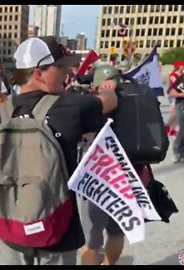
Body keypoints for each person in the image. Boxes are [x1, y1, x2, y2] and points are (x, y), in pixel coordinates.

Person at [0, 37, 118, 265]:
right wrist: (108, 88)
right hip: (56, 228)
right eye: (61, 66)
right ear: (38, 73)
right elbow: (110, 101)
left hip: (12, 224)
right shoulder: (70, 107)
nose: (68, 71)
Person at [77, 64, 127, 265]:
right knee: (116, 231)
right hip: (129, 176)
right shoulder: (136, 100)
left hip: (99, 177)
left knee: (92, 236)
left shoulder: (97, 105)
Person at [166, 61, 184, 137]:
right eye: (182, 66)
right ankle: (168, 127)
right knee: (174, 114)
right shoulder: (173, 75)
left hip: (179, 95)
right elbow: (176, 84)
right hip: (173, 96)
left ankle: (172, 129)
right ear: (178, 66)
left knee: (176, 113)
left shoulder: (183, 75)